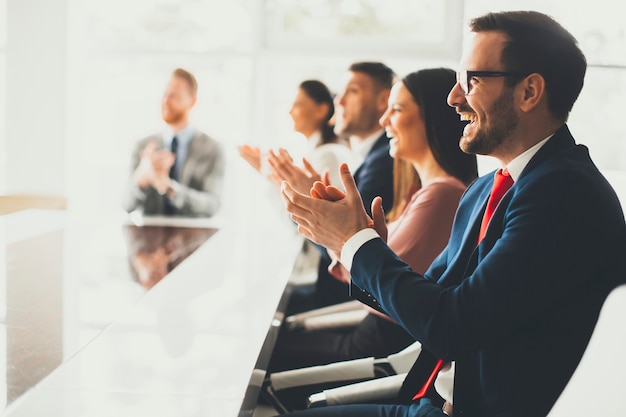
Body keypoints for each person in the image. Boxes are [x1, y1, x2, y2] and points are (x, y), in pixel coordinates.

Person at [280, 10, 626, 417]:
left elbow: (451, 327)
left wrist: (358, 244)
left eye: (470, 81)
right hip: (425, 401)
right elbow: (425, 306)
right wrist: (361, 244)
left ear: (530, 92)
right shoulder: (485, 189)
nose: (453, 98)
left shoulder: (565, 194)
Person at [267, 68, 478, 378]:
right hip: (371, 333)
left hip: (376, 344)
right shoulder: (423, 191)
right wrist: (340, 227)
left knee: (266, 348)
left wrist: (342, 233)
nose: (384, 120)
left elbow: (382, 292)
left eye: (397, 109)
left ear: (432, 118)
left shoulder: (442, 195)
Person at [276, 62, 396, 313]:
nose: (338, 101)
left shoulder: (384, 160)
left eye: (352, 91)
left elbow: (351, 240)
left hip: (346, 300)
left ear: (383, 99)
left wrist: (310, 202)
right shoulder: (369, 156)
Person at [122, 68, 225, 217]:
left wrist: (170, 188)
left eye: (174, 96)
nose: (166, 101)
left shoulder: (212, 149)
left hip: (194, 237)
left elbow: (212, 206)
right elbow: (126, 205)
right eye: (165, 94)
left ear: (192, 101)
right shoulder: (142, 146)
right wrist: (142, 178)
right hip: (148, 238)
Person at [238, 80, 353, 189]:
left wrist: (278, 176)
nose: (290, 111)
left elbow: (307, 207)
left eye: (297, 105)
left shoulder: (328, 155)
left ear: (321, 110)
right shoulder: (320, 151)